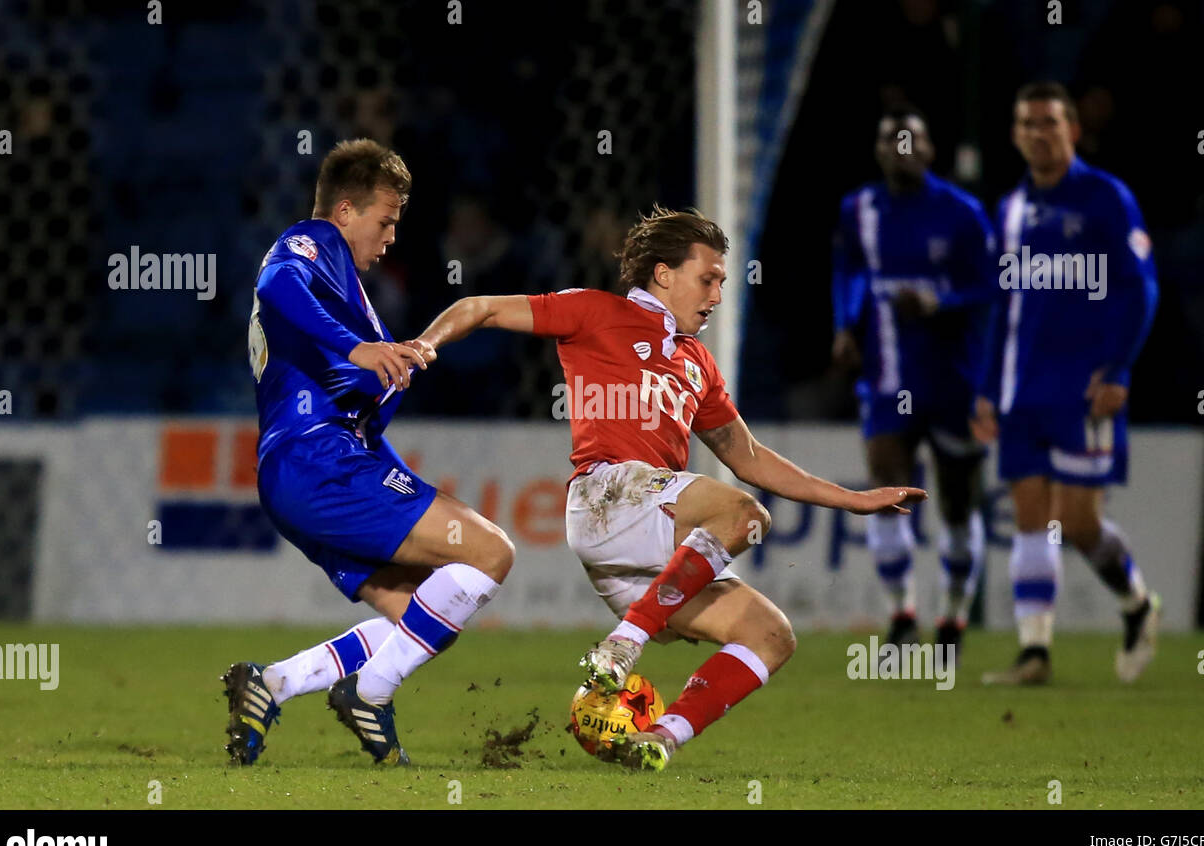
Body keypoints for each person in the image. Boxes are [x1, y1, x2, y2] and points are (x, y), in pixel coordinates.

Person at [410, 206, 926, 770]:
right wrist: (424, 345)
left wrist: (853, 499)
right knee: (743, 515)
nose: (717, 295)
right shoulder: (593, 311)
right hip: (606, 495)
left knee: (771, 635)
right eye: (708, 279)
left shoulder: (696, 361)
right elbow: (477, 306)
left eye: (723, 282)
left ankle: (659, 739)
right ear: (663, 275)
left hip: (647, 555)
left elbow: (747, 456)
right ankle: (624, 645)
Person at [221, 139, 514, 765]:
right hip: (318, 460)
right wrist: (360, 352)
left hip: (299, 472)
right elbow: (275, 283)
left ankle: (272, 683)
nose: (389, 237)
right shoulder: (314, 242)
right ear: (346, 209)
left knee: (421, 615)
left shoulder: (347, 292)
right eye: (385, 221)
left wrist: (393, 365)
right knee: (490, 552)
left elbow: (358, 408)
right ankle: (368, 696)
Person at [972, 83, 1160, 685]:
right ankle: (1034, 654)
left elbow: (1141, 289)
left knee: (1077, 524)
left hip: (1085, 390)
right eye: (1026, 124)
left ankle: (1135, 603)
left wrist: (1120, 370)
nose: (1037, 134)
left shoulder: (1106, 197)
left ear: (1072, 130)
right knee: (1029, 516)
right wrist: (985, 388)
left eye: (1049, 123)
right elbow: (1002, 305)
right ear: (1015, 134)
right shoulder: (1010, 208)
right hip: (1022, 391)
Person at [832, 105, 997, 661]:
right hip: (886, 372)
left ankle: (952, 612)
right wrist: (845, 325)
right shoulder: (859, 209)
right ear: (878, 150)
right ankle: (902, 612)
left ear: (929, 150)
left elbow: (989, 290)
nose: (900, 149)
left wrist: (940, 301)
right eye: (889, 140)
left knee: (955, 501)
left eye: (911, 139)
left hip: (952, 378)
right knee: (884, 489)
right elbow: (849, 270)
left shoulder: (963, 214)